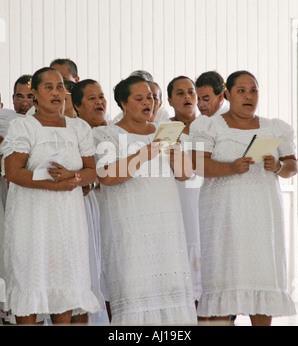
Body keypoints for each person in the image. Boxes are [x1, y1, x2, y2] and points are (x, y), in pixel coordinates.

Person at [190, 70, 298, 326]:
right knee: (222, 283)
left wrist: (279, 167)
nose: (249, 96)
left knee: (261, 283)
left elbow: (292, 164)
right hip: (223, 219)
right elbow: (197, 165)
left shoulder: (275, 127)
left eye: (254, 91)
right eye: (242, 91)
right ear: (227, 94)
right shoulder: (209, 125)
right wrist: (231, 167)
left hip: (262, 218)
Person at [92, 75, 197, 325]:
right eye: (139, 98)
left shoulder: (165, 132)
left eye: (150, 97)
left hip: (166, 229)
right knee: (135, 290)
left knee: (170, 293)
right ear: (123, 104)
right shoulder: (106, 134)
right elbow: (107, 175)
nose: (147, 102)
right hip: (130, 231)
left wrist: (175, 151)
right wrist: (147, 151)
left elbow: (185, 174)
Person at [1, 67, 100, 325]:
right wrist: (54, 185)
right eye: (49, 87)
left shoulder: (79, 128)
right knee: (30, 282)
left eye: (60, 87)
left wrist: (74, 178)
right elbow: (13, 172)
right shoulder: (23, 127)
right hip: (32, 219)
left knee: (63, 285)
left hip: (67, 220)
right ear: (34, 93)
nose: (56, 93)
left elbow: (92, 170)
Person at [71, 79, 108, 324]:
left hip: (105, 212)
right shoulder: (72, 133)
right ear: (76, 106)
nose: (99, 103)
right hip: (78, 209)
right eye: (92, 98)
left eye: (101, 97)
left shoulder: (112, 132)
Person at [167, 76, 202, 310]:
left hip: (205, 202)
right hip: (176, 204)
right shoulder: (164, 130)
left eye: (190, 92)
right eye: (179, 93)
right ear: (169, 100)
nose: (187, 97)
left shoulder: (209, 128)